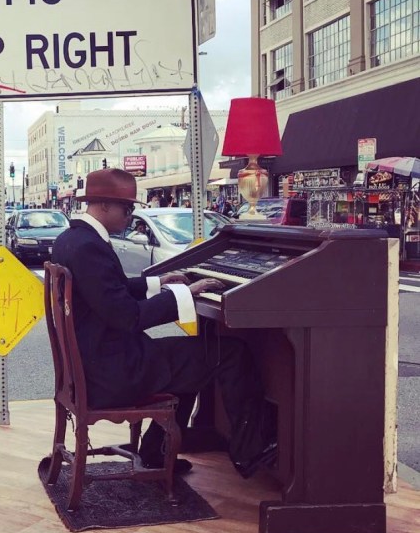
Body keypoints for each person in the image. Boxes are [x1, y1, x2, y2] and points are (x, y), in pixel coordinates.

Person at [51, 168, 277, 479]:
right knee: (230, 352)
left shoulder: (71, 239)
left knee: (191, 359)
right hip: (113, 374)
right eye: (126, 208)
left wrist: (158, 282)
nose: (130, 216)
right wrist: (184, 294)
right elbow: (128, 316)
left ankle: (156, 453)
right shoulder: (90, 247)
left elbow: (108, 291)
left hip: (97, 364)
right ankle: (249, 451)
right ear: (103, 205)